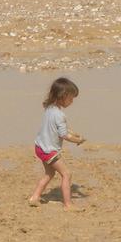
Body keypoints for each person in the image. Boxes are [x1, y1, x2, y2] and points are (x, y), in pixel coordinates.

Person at [29, 77, 84, 209]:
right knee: (66, 174)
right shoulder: (60, 115)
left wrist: (73, 132)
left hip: (40, 147)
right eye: (71, 99)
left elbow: (59, 127)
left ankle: (34, 197)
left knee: (49, 174)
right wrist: (78, 140)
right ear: (62, 96)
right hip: (49, 150)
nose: (71, 102)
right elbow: (63, 134)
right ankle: (68, 204)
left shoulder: (49, 108)